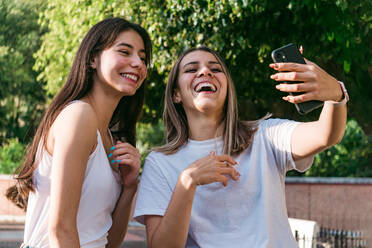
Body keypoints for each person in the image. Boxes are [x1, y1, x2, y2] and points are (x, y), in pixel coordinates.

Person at [133, 46, 348, 247]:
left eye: (216, 69)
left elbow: (326, 135)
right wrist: (188, 181)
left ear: (227, 88)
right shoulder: (159, 163)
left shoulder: (266, 136)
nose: (205, 71)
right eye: (191, 69)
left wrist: (335, 94)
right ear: (176, 94)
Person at [6, 17, 152, 248]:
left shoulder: (111, 138)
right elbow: (61, 229)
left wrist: (130, 186)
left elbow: (108, 242)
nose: (138, 64)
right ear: (93, 58)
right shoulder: (79, 116)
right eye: (125, 52)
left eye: (143, 58)